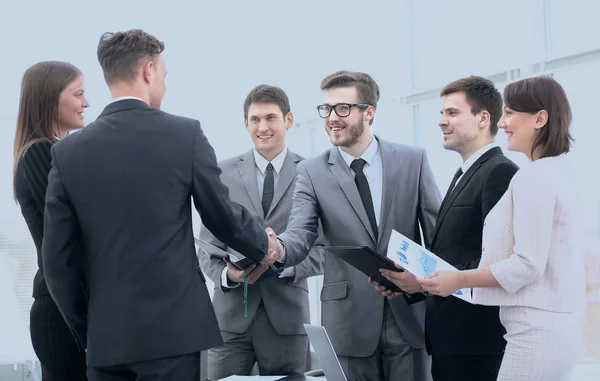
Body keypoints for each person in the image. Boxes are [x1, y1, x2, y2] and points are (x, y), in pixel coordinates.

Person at [41, 29, 280, 381]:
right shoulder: (185, 135)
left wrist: (87, 329)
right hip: (174, 336)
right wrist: (264, 245)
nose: (164, 83)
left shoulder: (67, 153)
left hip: (107, 342)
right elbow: (222, 217)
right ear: (149, 71)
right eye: (164, 75)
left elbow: (56, 261)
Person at [274, 70, 441, 381]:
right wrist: (277, 248)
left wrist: (424, 282)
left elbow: (438, 237)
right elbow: (300, 234)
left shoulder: (412, 160)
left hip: (410, 313)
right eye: (326, 109)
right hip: (348, 320)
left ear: (369, 112)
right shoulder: (311, 171)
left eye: (342, 108)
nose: (332, 118)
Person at [419, 75, 585, 381]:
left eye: (509, 114)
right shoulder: (558, 170)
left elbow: (526, 264)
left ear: (540, 118)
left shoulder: (532, 176)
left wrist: (458, 279)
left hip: (533, 333)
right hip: (548, 329)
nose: (503, 122)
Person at [378, 76, 518, 381]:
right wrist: (413, 281)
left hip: (477, 342)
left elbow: (499, 261)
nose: (442, 121)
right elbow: (454, 254)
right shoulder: (461, 175)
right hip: (451, 340)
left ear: (483, 118)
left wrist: (430, 280)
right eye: (442, 114)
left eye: (452, 113)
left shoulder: (500, 172)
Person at [198, 84, 324, 379]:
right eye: (255, 119)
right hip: (228, 319)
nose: (262, 127)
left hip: (287, 320)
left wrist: (281, 262)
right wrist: (230, 275)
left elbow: (322, 251)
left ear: (288, 120)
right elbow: (206, 247)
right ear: (246, 124)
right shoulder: (223, 172)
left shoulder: (313, 173)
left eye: (270, 118)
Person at [13, 61, 89, 381]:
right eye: (79, 94)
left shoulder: (56, 151)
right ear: (49, 99)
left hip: (67, 309)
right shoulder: (40, 153)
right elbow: (70, 240)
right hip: (61, 315)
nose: (86, 103)